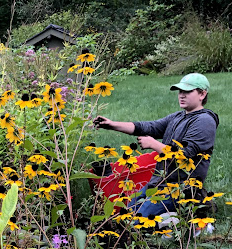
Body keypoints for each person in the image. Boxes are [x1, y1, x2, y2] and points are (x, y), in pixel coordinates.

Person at [93, 73, 219, 219]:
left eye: (187, 91)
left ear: (202, 94)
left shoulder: (204, 121)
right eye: (180, 91)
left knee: (136, 224)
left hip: (181, 189)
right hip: (159, 184)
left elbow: (184, 156)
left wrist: (154, 144)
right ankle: (173, 216)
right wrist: (112, 125)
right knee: (125, 217)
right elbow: (149, 127)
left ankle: (186, 218)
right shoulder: (178, 117)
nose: (181, 95)